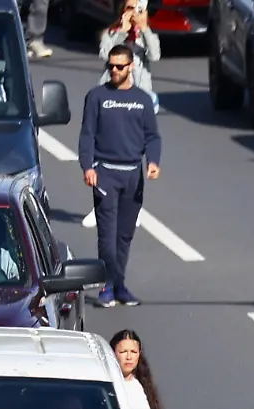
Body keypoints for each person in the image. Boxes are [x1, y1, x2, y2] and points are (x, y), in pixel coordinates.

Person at [78, 44, 162, 309]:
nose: (113, 70)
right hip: (105, 173)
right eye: (110, 66)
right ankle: (107, 287)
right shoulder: (97, 96)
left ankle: (120, 284)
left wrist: (154, 162)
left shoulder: (143, 99)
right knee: (107, 234)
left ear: (131, 67)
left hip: (132, 175)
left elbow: (152, 136)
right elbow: (87, 134)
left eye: (119, 66)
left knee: (124, 234)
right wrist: (87, 167)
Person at [82, 0, 163, 230]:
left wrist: (144, 28)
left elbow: (155, 55)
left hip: (139, 101)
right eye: (129, 7)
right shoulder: (111, 33)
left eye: (138, 8)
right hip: (110, 99)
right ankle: (100, 205)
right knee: (104, 151)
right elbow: (105, 54)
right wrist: (120, 32)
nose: (133, 13)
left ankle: (132, 207)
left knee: (132, 153)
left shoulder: (145, 36)